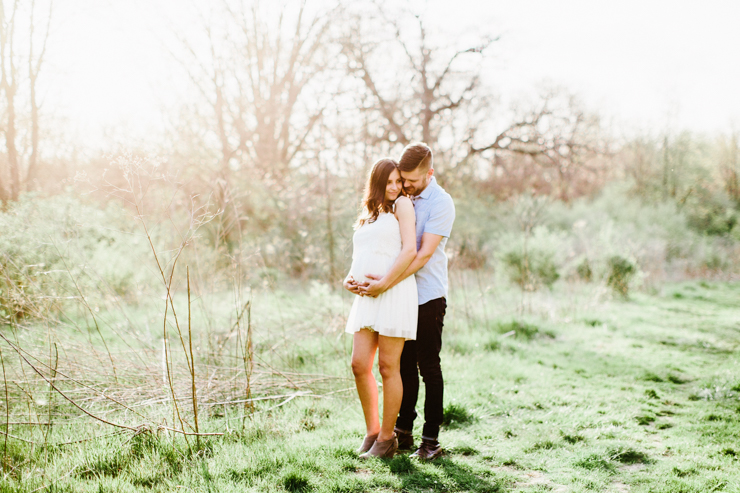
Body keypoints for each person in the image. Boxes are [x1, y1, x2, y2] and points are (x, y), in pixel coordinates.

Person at [360, 142, 455, 460]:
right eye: (403, 179)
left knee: (429, 366)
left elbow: (423, 254)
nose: (406, 186)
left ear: (430, 173)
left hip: (427, 296)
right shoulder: (400, 197)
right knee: (402, 366)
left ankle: (431, 442)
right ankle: (403, 431)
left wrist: (386, 282)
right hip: (399, 297)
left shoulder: (441, 203)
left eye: (411, 180)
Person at [343, 158, 418, 459]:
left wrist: (384, 282)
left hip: (394, 291)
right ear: (376, 183)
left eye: (398, 181)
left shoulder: (402, 206)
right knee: (359, 364)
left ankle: (387, 440)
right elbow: (362, 252)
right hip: (366, 295)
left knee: (388, 366)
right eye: (388, 182)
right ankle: (372, 432)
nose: (395, 187)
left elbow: (410, 249)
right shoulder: (368, 213)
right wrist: (349, 278)